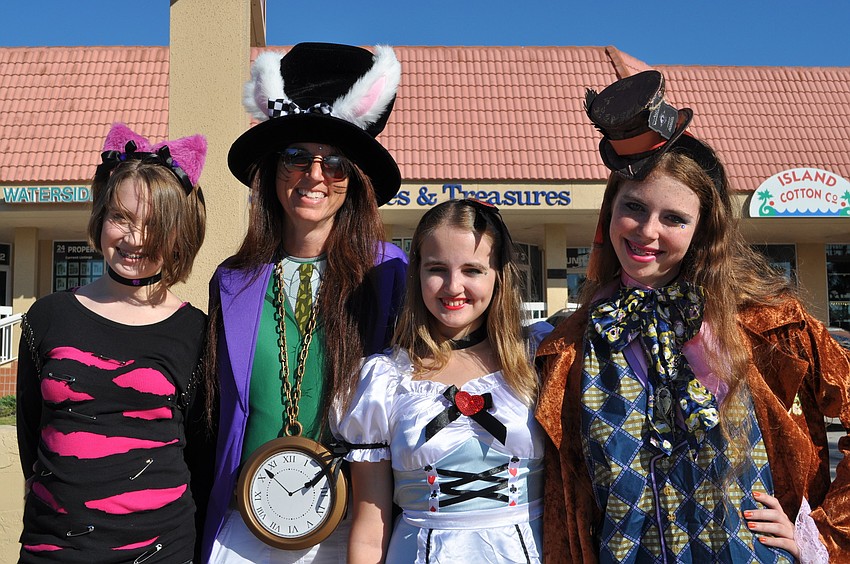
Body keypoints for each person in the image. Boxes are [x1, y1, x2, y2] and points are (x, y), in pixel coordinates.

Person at [535, 69, 850, 563]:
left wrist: (824, 537)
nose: (647, 231)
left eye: (674, 218)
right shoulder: (567, 346)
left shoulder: (771, 326)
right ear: (609, 211)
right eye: (633, 207)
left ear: (704, 229)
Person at [202, 42, 408, 563]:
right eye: (297, 157)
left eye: (336, 163)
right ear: (272, 170)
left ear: (355, 181)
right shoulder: (233, 281)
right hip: (245, 526)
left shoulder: (392, 275)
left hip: (355, 531)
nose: (315, 175)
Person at [16, 122, 208, 563]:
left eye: (153, 225)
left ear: (180, 233)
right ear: (101, 217)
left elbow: (200, 455)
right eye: (121, 217)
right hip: (53, 552)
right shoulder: (47, 318)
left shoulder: (197, 332)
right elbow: (33, 437)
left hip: (162, 552)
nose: (134, 238)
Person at [334, 199, 551, 563]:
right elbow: (371, 529)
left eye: (473, 269)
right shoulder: (384, 380)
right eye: (437, 268)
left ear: (499, 274)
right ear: (417, 272)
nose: (453, 286)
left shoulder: (539, 360)